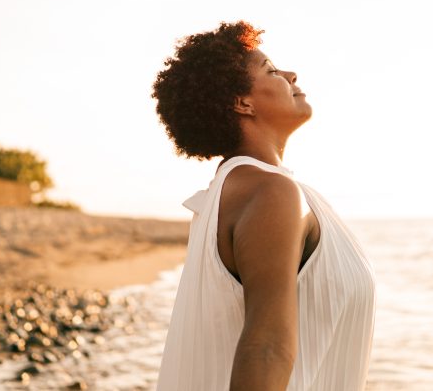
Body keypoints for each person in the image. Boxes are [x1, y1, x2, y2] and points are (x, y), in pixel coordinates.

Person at [151, 21, 376, 391]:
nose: (290, 74)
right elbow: (266, 348)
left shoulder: (236, 190)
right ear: (242, 103)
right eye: (271, 70)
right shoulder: (270, 192)